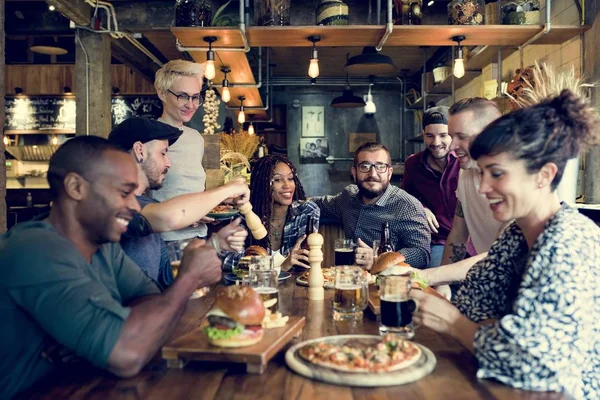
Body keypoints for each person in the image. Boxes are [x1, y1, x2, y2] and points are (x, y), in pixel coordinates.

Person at [410, 90, 600, 400]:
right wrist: (498, 335)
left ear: (544, 175)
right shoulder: (515, 234)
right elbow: (473, 305)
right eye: (483, 173)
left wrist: (454, 323)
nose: (484, 188)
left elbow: (532, 363)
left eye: (496, 174)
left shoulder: (569, 242)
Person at [0, 136, 222, 399]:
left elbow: (150, 299)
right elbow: (127, 355)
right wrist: (190, 277)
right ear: (75, 187)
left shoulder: (104, 246)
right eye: (124, 193)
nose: (133, 206)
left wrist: (100, 334)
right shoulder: (35, 250)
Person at [107, 118, 249, 288]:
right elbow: (170, 217)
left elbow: (167, 277)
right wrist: (228, 189)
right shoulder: (117, 203)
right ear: (140, 150)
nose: (169, 163)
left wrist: (216, 244)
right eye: (163, 153)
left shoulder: (148, 205)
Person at [313, 142, 430, 268]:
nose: (373, 174)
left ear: (389, 173)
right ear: (354, 172)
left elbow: (421, 254)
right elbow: (316, 204)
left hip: (391, 283)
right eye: (365, 166)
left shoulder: (408, 206)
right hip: (351, 278)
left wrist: (380, 258)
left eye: (380, 167)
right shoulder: (347, 197)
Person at [222, 154, 320, 271]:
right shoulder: (244, 217)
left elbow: (304, 263)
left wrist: (260, 263)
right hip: (254, 287)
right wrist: (282, 266)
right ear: (262, 184)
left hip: (293, 285)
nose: (287, 185)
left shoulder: (306, 212)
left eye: (290, 178)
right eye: (278, 180)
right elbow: (227, 261)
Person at [150, 59, 211, 244]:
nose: (191, 105)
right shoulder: (148, 136)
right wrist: (185, 215)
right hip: (165, 241)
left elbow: (193, 188)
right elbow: (138, 198)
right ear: (162, 93)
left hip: (199, 238)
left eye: (195, 97)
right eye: (183, 96)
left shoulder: (196, 138)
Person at [402, 106, 460, 267]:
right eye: (429, 136)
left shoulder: (465, 161)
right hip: (438, 241)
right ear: (423, 135)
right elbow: (405, 198)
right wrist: (421, 208)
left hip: (472, 240)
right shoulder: (413, 164)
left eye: (443, 135)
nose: (436, 142)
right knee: (435, 282)